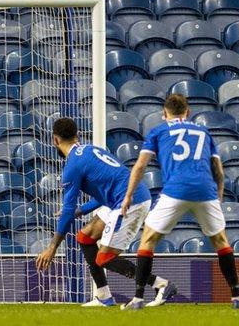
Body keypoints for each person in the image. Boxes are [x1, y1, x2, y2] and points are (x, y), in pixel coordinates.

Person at [120, 94, 239, 310]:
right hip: (205, 190)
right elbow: (218, 168)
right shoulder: (203, 131)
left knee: (148, 238)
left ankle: (138, 299)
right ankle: (237, 298)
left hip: (176, 189)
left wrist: (128, 195)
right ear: (188, 112)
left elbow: (140, 166)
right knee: (220, 241)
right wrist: (218, 194)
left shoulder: (159, 131)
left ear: (164, 113)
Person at [35, 118, 176, 307]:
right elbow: (105, 191)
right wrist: (82, 210)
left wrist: (52, 247)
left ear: (55, 140)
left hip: (130, 202)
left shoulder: (72, 167)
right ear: (77, 135)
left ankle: (160, 285)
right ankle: (103, 296)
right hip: (121, 198)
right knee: (85, 237)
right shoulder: (91, 150)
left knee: (104, 257)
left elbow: (67, 210)